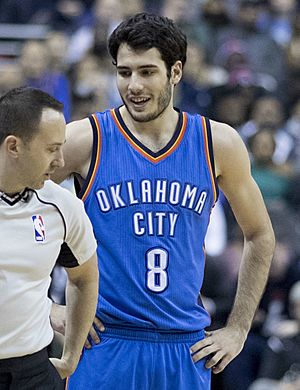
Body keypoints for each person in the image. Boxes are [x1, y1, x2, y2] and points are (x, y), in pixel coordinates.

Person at [52, 12, 275, 390]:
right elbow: (14, 209)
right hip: (105, 342)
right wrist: (47, 308)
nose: (133, 85)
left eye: (147, 71)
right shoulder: (85, 139)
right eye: (124, 73)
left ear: (176, 71)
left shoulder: (216, 143)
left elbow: (259, 235)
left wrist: (237, 329)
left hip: (184, 348)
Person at [0, 87, 99, 389]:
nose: (60, 160)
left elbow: (85, 277)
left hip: (32, 373)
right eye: (51, 148)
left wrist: (70, 357)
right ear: (13, 146)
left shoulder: (63, 206)